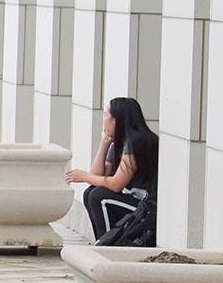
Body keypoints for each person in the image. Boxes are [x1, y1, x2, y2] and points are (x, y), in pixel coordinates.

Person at [66, 97, 157, 244]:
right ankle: (103, 241)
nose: (104, 120)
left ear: (117, 120)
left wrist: (83, 176)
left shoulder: (136, 142)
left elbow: (116, 184)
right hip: (134, 203)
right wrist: (104, 142)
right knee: (91, 192)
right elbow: (96, 176)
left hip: (147, 210)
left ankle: (107, 246)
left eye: (106, 115)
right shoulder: (120, 142)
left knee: (99, 196)